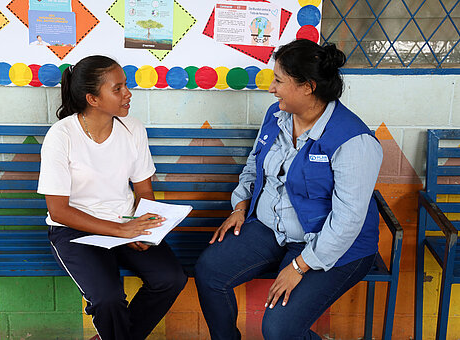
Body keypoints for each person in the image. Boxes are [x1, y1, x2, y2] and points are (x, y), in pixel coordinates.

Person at [195, 39, 383, 340]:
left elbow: (348, 222)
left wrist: (299, 266)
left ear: (307, 87)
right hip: (272, 229)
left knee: (279, 329)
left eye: (279, 80)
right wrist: (240, 206)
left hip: (332, 245)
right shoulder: (276, 116)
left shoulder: (354, 142)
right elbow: (254, 166)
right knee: (210, 272)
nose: (272, 88)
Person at [37, 55, 187, 340]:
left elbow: (143, 190)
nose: (128, 93)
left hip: (126, 224)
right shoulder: (62, 136)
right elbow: (58, 211)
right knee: (108, 299)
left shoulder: (133, 129)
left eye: (125, 86)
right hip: (74, 231)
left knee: (171, 279)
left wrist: (143, 229)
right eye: (117, 89)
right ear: (93, 99)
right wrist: (121, 230)